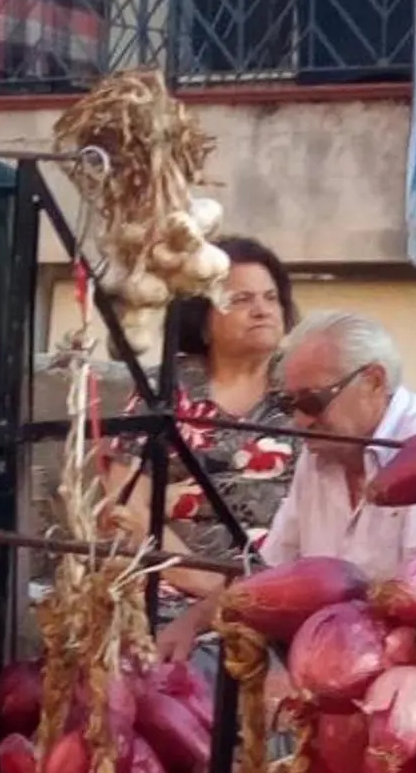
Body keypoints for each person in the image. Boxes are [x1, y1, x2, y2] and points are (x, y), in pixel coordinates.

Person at [98, 236, 299, 604]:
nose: (262, 310)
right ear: (203, 321)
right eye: (241, 299)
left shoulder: (302, 387)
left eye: (271, 298)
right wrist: (207, 583)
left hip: (283, 589)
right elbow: (124, 504)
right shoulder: (167, 389)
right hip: (173, 585)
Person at [255, 313, 416, 581]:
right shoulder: (325, 446)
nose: (300, 420)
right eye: (289, 404)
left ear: (373, 381)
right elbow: (272, 567)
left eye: (313, 401)